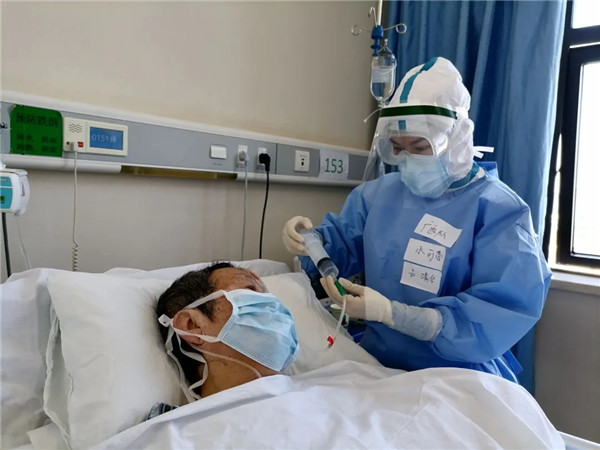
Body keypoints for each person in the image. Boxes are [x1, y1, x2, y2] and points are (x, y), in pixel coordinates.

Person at [282, 56, 551, 383]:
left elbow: (499, 311)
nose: (407, 160)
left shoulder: (499, 211)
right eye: (398, 148)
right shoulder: (378, 195)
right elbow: (339, 248)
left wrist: (394, 314)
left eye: (420, 147)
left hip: (458, 374)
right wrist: (311, 241)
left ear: (457, 137)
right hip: (379, 365)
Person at [156, 262, 299, 401]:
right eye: (250, 291)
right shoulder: (181, 419)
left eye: (267, 296)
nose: (274, 309)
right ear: (192, 326)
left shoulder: (310, 389)